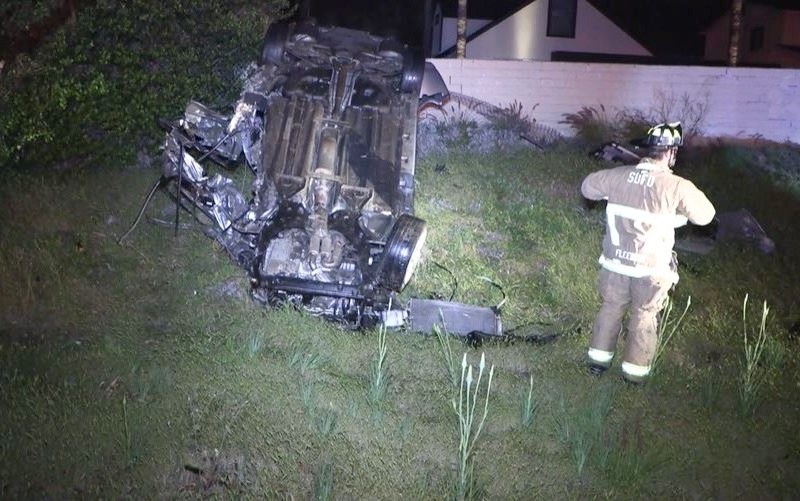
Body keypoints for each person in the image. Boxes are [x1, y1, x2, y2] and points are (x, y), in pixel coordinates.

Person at [580, 122, 716, 384]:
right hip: (650, 270)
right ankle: (634, 375)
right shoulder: (677, 186)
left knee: (610, 307)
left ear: (646, 149)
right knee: (644, 315)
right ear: (671, 153)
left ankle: (597, 362)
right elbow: (705, 215)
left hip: (615, 264)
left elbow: (587, 187)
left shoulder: (617, 176)